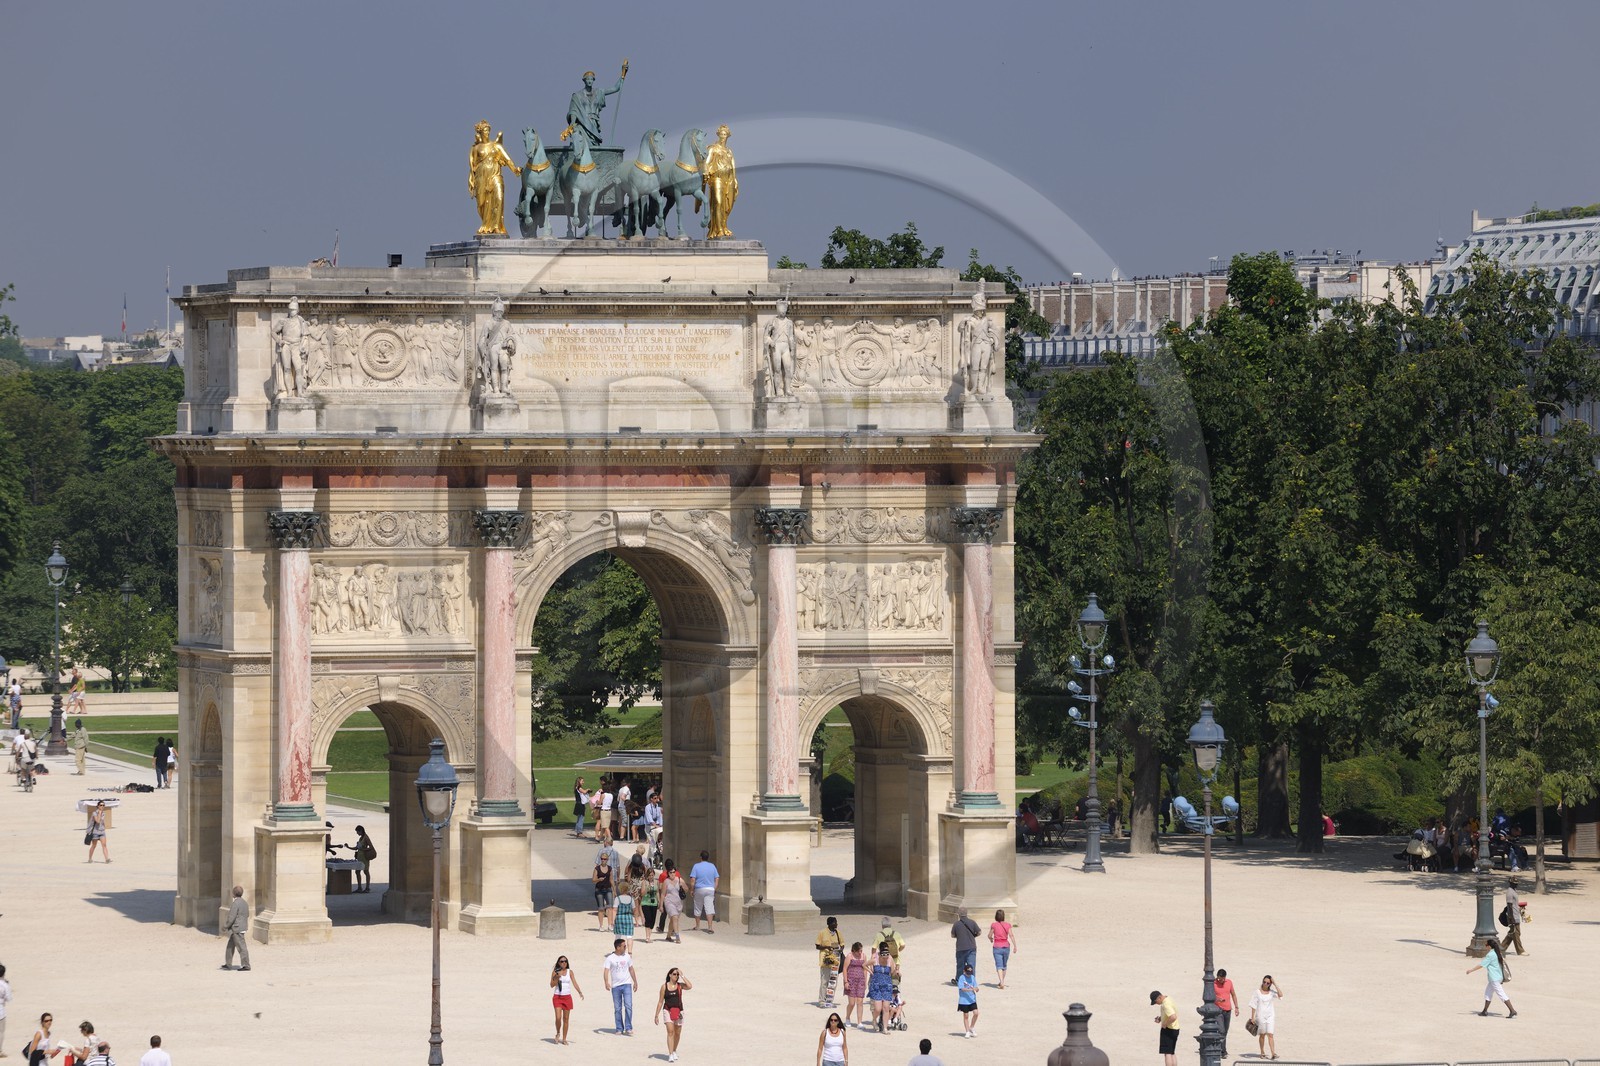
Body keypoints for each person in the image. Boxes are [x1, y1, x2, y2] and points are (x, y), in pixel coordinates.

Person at [1467, 936, 1516, 1018]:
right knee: (1488, 993)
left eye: (1486, 945)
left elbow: (1481, 965)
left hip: (1494, 978)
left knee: (1501, 994)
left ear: (1489, 946)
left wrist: (1471, 970)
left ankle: (1512, 1010)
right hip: (1498, 977)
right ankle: (1484, 1011)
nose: (1485, 946)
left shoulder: (1490, 955)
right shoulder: (1498, 953)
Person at [654, 966, 692, 1062]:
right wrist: (656, 1015)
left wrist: (683, 975)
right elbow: (660, 1002)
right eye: (674, 974)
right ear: (670, 975)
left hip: (679, 1011)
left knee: (677, 1033)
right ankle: (670, 1054)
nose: (676, 976)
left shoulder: (680, 986)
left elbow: (690, 986)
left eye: (677, 974)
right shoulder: (664, 987)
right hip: (667, 1010)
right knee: (670, 1031)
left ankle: (674, 1050)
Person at [602, 937, 638, 1036]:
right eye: (624, 946)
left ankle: (628, 1027)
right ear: (618, 947)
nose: (626, 947)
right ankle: (619, 1028)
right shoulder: (610, 958)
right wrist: (606, 982)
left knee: (628, 1006)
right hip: (616, 986)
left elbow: (631, 969)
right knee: (617, 1008)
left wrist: (635, 981)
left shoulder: (627, 957)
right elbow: (606, 971)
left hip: (627, 984)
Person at [550, 954, 584, 1045]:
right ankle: (558, 1033)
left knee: (566, 1019)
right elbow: (552, 985)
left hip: (567, 997)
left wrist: (580, 992)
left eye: (565, 961)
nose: (564, 963)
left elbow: (574, 982)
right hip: (557, 997)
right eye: (562, 961)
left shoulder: (570, 972)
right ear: (558, 963)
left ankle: (564, 1039)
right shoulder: (555, 971)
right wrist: (557, 976)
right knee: (558, 1017)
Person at [1247, 975, 1283, 1059]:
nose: (1265, 984)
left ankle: (1273, 1053)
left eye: (1268, 983)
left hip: (1270, 1016)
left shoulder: (1271, 992)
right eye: (1264, 982)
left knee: (1270, 1034)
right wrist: (1252, 1017)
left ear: (1270, 984)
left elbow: (1281, 995)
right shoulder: (1257, 992)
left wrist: (1275, 983)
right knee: (1262, 1035)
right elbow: (1253, 1004)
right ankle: (1262, 1051)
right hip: (1260, 1016)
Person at [815, 916, 845, 1008]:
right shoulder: (822, 933)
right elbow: (817, 946)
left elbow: (842, 944)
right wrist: (826, 947)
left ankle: (829, 1000)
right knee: (824, 980)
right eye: (835, 922)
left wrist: (840, 949)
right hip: (825, 960)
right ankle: (821, 1000)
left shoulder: (838, 933)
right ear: (830, 923)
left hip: (836, 960)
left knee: (833, 981)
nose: (836, 924)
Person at [866, 947, 897, 1033]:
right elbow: (864, 965)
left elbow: (892, 973)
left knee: (886, 1008)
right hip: (876, 986)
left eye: (887, 956)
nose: (886, 958)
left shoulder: (890, 961)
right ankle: (874, 1020)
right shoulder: (875, 960)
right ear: (880, 956)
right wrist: (870, 972)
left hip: (887, 986)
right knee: (878, 1009)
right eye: (884, 956)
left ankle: (885, 1028)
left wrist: (896, 971)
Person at [222, 885, 251, 971]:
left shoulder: (235, 903)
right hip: (241, 927)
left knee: (241, 947)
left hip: (236, 928)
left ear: (234, 894)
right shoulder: (245, 903)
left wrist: (225, 926)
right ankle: (228, 963)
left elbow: (231, 917)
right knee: (230, 946)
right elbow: (247, 915)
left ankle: (246, 965)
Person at [689, 850, 718, 934]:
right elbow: (717, 878)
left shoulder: (696, 866)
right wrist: (714, 888)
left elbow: (693, 879)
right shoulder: (712, 866)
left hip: (699, 889)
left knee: (698, 907)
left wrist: (692, 889)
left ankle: (698, 926)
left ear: (700, 857)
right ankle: (710, 927)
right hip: (710, 889)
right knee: (709, 907)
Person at [988, 909, 1017, 989]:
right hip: (1006, 946)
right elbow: (1011, 935)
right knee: (1004, 965)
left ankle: (1001, 982)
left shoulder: (994, 925)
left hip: (997, 946)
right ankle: (1002, 981)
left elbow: (989, 935)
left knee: (999, 965)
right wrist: (1015, 946)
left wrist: (991, 939)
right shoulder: (1008, 925)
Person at [949, 907, 980, 984]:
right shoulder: (972, 922)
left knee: (960, 965)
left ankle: (959, 980)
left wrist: (958, 936)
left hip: (960, 947)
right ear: (966, 913)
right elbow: (979, 932)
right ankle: (971, 981)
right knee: (971, 965)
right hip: (971, 946)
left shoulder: (956, 924)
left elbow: (952, 935)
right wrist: (973, 936)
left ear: (959, 914)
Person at [842, 942, 868, 1029]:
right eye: (858, 951)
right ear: (854, 950)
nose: (860, 953)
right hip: (851, 980)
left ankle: (859, 1022)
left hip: (860, 980)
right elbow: (845, 969)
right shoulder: (849, 956)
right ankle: (847, 1018)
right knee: (852, 1003)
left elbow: (865, 969)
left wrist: (865, 981)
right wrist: (846, 982)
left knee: (860, 1002)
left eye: (861, 950)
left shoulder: (864, 956)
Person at [1214, 967, 1239, 1058]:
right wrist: (1218, 999)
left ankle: (1220, 1048)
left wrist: (1236, 1007)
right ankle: (1223, 1051)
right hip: (1218, 1010)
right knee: (1221, 1030)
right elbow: (1210, 996)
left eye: (1222, 979)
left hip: (1228, 1010)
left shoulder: (1229, 982)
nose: (1220, 980)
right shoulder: (1213, 983)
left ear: (1225, 977)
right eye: (1219, 978)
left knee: (1225, 1031)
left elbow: (1233, 994)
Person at [660, 860, 685, 943]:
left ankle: (668, 936)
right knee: (674, 917)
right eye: (671, 872)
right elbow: (663, 894)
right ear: (668, 873)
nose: (673, 874)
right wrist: (660, 905)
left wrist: (683, 887)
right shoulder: (666, 882)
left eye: (674, 872)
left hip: (678, 902)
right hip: (669, 902)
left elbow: (687, 889)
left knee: (673, 919)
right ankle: (677, 936)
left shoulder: (679, 880)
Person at [1151, 990, 1179, 1066]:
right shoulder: (1169, 999)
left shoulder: (1165, 1004)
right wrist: (1161, 1018)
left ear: (1159, 997)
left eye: (1156, 1002)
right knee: (1172, 1052)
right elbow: (1170, 1013)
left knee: (1167, 1053)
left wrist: (1165, 1024)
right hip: (1175, 1028)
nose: (1156, 1004)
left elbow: (1173, 1017)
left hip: (1168, 1029)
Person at [592, 853, 616, 932]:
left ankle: (610, 925)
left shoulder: (610, 868)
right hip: (599, 890)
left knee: (610, 907)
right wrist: (599, 879)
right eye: (602, 858)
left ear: (607, 860)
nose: (603, 860)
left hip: (608, 889)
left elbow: (611, 880)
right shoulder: (597, 869)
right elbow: (593, 880)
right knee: (601, 908)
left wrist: (614, 890)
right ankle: (601, 925)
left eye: (605, 859)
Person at [1504, 877, 1528, 954]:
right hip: (1513, 915)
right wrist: (1511, 917)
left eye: (1517, 883)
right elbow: (1509, 905)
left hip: (1516, 914)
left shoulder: (1513, 891)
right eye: (1515, 883)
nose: (1516, 885)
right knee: (1516, 933)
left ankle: (1501, 947)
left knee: (1513, 933)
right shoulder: (1510, 892)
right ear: (1511, 883)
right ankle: (1520, 951)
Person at [351, 825, 376, 893]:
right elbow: (357, 848)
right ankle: (359, 887)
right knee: (357, 872)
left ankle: (367, 887)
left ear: (361, 831)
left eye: (357, 831)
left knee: (366, 872)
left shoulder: (366, 838)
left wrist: (363, 849)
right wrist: (348, 847)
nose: (357, 833)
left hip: (365, 857)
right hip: (359, 857)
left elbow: (371, 847)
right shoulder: (361, 838)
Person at [957, 962, 979, 1037]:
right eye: (967, 973)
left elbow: (976, 987)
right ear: (964, 971)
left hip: (972, 999)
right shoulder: (961, 977)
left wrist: (976, 989)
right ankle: (967, 1031)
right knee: (966, 1016)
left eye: (970, 973)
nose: (969, 974)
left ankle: (971, 1027)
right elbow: (961, 988)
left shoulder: (972, 977)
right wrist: (969, 989)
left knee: (976, 1013)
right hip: (964, 1000)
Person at [614, 880, 636, 952]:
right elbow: (634, 910)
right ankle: (630, 952)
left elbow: (614, 910)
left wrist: (612, 920)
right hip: (629, 918)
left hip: (619, 918)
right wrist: (636, 919)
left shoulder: (618, 898)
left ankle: (618, 951)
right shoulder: (631, 899)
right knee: (629, 936)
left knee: (618, 936)